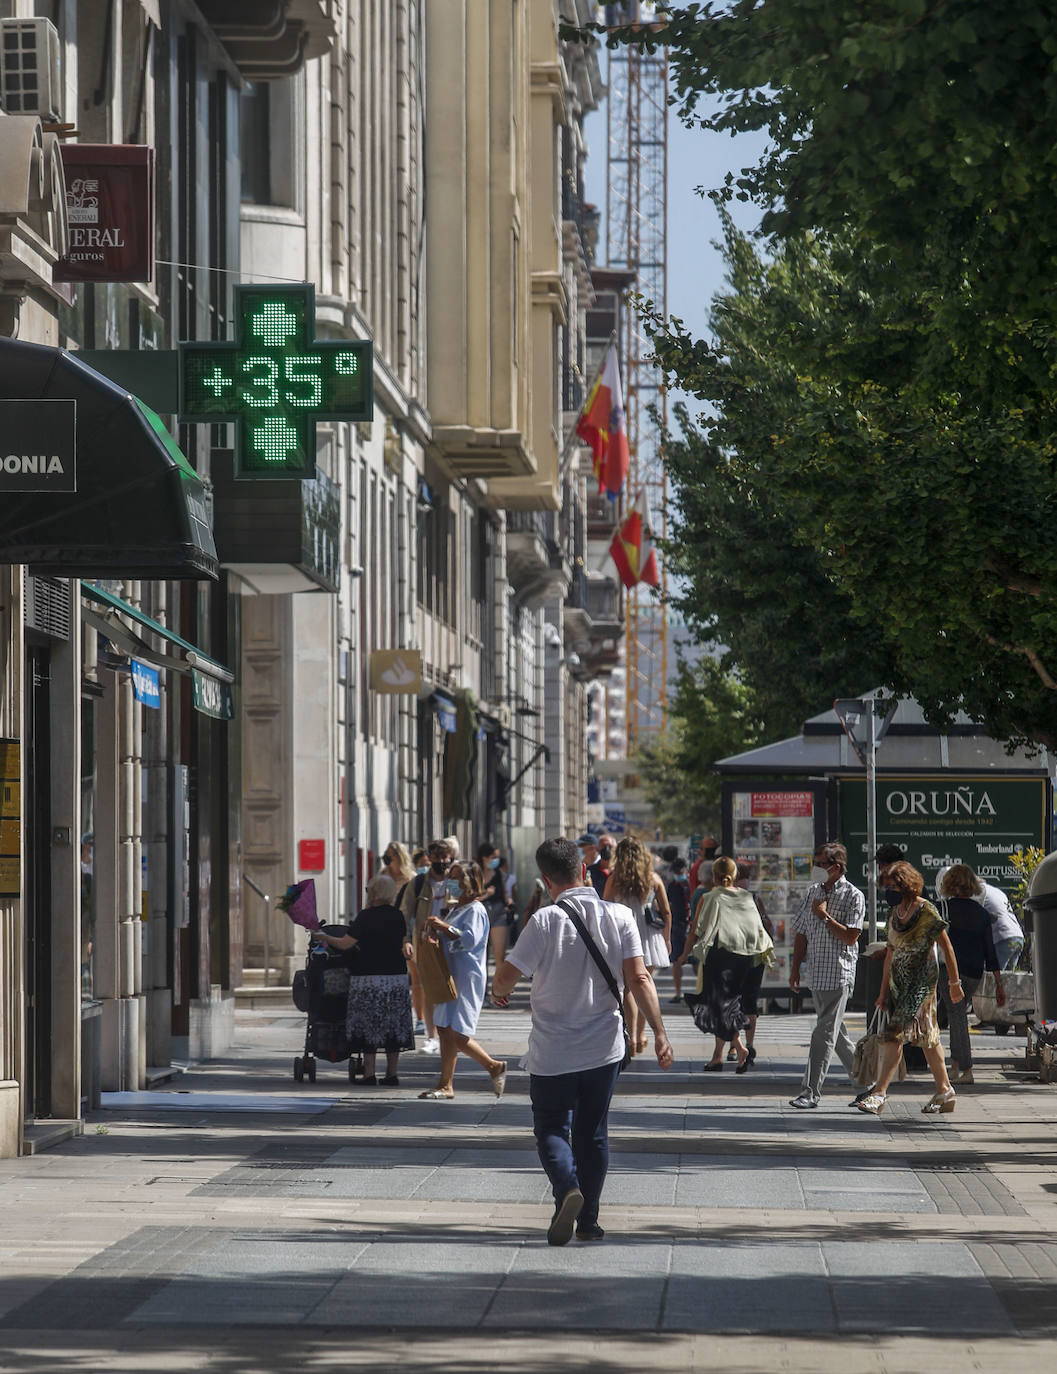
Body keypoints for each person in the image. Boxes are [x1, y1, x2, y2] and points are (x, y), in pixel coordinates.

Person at [491, 836, 674, 1245]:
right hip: (603, 1048)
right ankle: (588, 1219)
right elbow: (639, 978)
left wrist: (498, 991)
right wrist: (659, 1032)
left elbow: (505, 977)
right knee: (594, 1133)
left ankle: (566, 1189)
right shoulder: (620, 917)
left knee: (552, 1128)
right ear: (585, 871)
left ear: (545, 879)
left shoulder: (543, 920)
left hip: (552, 1050)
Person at [857, 861, 964, 1116]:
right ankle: (945, 1089)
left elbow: (946, 947)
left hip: (922, 984)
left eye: (893, 885)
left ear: (906, 883)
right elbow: (890, 955)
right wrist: (883, 993)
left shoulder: (926, 910)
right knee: (928, 1037)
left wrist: (954, 983)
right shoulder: (894, 913)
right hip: (899, 986)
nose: (890, 890)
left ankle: (879, 1093)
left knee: (894, 1035)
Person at [418, 860, 507, 1101]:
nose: (452, 883)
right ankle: (445, 1083)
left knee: (456, 1031)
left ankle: (491, 1065)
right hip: (450, 973)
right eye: (451, 877)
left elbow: (470, 940)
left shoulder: (476, 910)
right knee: (444, 1027)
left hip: (466, 976)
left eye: (456, 878)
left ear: (469, 881)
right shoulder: (457, 908)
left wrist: (444, 927)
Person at [314, 873, 414, 1084]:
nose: (367, 894)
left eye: (369, 890)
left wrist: (323, 937)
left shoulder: (366, 917)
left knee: (370, 1026)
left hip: (368, 978)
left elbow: (345, 944)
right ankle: (392, 1074)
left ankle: (369, 1074)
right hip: (395, 978)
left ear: (376, 893)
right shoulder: (397, 916)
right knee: (392, 1026)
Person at [677, 856, 773, 1071]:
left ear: (714, 876)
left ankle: (738, 1047)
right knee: (730, 1005)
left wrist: (684, 955)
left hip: (722, 957)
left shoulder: (710, 897)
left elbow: (695, 930)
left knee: (719, 1005)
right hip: (752, 957)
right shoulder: (748, 897)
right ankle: (719, 1056)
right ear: (735, 875)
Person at [788, 841, 865, 1109]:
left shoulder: (854, 895)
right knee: (836, 1034)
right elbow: (801, 932)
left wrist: (824, 917)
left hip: (839, 974)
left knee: (822, 1034)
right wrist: (795, 968)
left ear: (836, 867)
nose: (816, 868)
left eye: (820, 864)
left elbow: (851, 937)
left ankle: (809, 1092)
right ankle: (868, 1086)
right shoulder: (813, 892)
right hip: (817, 974)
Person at [937, 864, 1005, 1084]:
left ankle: (966, 1069)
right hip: (974, 973)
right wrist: (999, 982)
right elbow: (990, 951)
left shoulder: (942, 908)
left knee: (956, 1017)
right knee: (956, 1014)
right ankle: (955, 1067)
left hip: (950, 971)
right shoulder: (982, 914)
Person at [604, 836, 672, 1056]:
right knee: (645, 984)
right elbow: (667, 912)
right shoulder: (653, 879)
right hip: (650, 937)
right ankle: (642, 1034)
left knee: (629, 991)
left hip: (624, 935)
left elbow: (605, 908)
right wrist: (667, 938)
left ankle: (630, 1036)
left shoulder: (615, 879)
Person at [399, 838, 457, 1054]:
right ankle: (432, 1036)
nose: (442, 862)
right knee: (428, 988)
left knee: (451, 988)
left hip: (450, 940)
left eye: (445, 858)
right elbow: (406, 913)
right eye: (437, 858)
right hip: (425, 941)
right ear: (430, 858)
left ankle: (450, 1034)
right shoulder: (418, 883)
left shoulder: (456, 881)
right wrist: (405, 940)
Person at [665, 857, 691, 1003]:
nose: (678, 874)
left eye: (679, 871)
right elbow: (667, 905)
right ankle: (677, 993)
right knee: (676, 960)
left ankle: (700, 991)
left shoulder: (691, 884)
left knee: (696, 962)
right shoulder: (672, 886)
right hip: (677, 926)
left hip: (691, 925)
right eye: (675, 871)